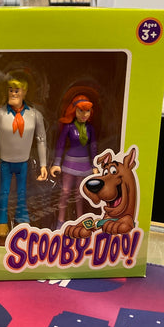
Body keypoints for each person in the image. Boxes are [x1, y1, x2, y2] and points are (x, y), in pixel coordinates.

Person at [0, 78, 47, 237]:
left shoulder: (34, 115)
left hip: (23, 162)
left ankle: (22, 216)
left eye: (16, 90)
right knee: (4, 192)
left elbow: (41, 139)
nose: (13, 93)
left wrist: (43, 165)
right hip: (5, 162)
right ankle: (1, 218)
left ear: (24, 92)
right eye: (10, 90)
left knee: (22, 191)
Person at [49, 93, 98, 229]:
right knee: (65, 191)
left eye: (87, 111)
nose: (84, 114)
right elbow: (60, 144)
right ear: (74, 111)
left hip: (85, 164)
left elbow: (93, 146)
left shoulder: (90, 128)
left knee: (79, 193)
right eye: (80, 110)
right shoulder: (69, 127)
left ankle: (80, 220)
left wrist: (94, 164)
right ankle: (60, 221)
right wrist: (56, 163)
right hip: (70, 163)